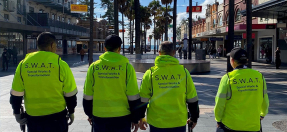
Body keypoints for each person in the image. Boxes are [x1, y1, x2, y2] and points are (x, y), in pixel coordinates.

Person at [10, 32, 78, 132]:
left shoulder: (23, 65)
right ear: (52, 45)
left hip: (34, 118)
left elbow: (16, 94)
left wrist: (17, 113)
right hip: (57, 117)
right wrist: (71, 111)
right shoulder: (61, 65)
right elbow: (70, 94)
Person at [83, 35, 141, 132]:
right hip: (122, 117)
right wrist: (135, 119)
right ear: (119, 48)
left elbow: (88, 94)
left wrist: (89, 114)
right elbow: (133, 96)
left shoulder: (94, 67)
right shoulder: (127, 67)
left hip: (99, 116)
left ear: (105, 48)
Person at [139, 41, 199, 132]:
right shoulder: (184, 72)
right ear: (174, 52)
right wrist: (194, 117)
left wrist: (140, 117)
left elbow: (143, 99)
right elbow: (192, 98)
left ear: (159, 53)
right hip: (178, 121)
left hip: (157, 122)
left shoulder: (150, 73)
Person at [214, 47, 269, 132]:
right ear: (246, 60)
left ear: (232, 61)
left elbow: (219, 103)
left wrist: (218, 119)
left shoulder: (228, 78)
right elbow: (265, 100)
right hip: (253, 125)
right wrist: (262, 114)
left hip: (231, 125)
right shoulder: (259, 76)